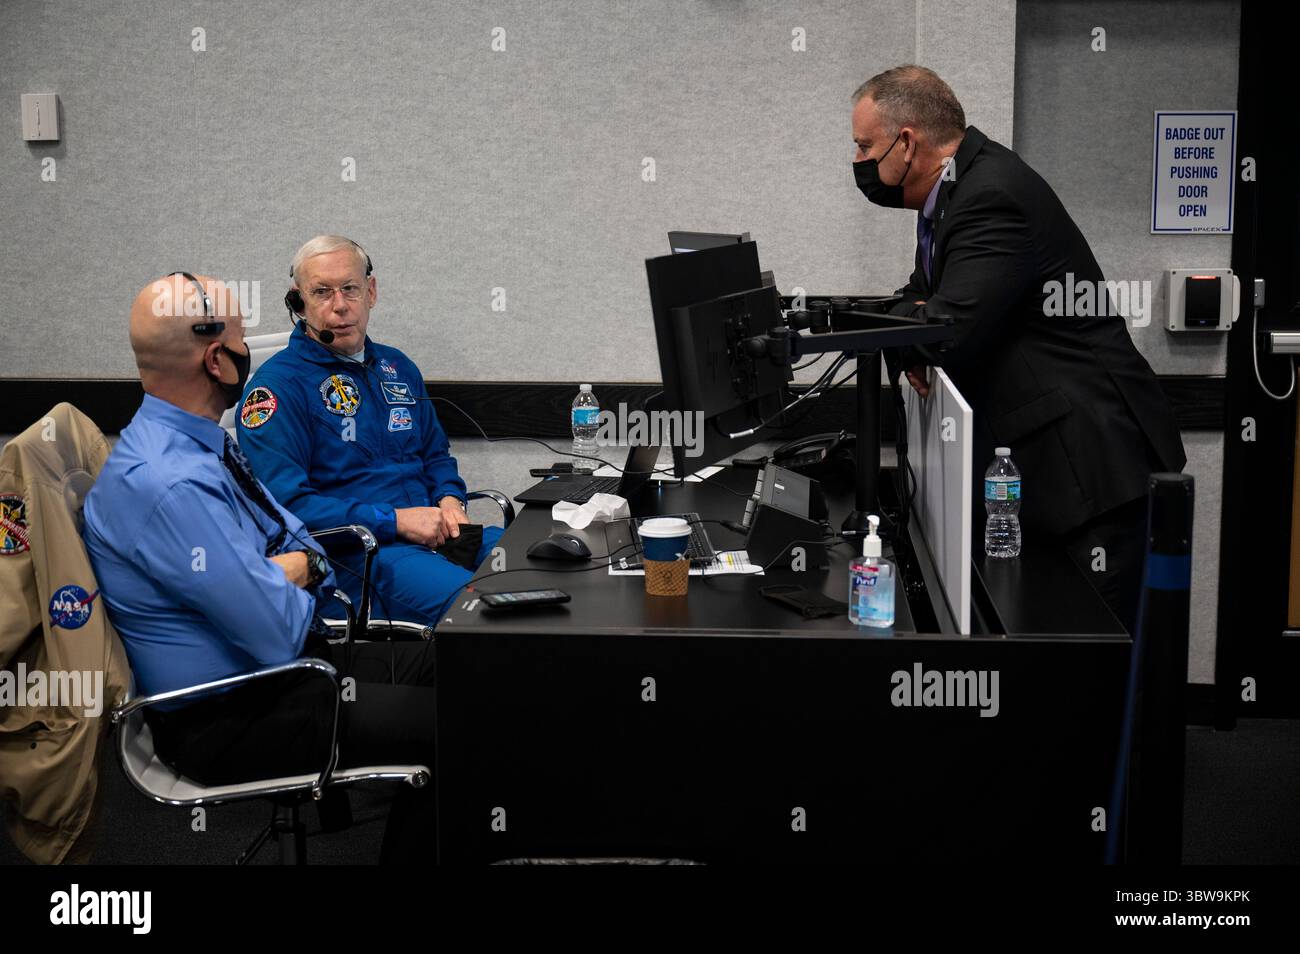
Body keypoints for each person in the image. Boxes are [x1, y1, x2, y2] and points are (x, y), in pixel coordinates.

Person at [82, 273, 436, 862]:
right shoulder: (168, 483)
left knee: (468, 665)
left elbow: (295, 535)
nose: (252, 352)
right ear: (218, 360)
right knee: (465, 721)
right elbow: (274, 631)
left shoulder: (200, 442)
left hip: (285, 667)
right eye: (244, 339)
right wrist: (294, 570)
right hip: (232, 711)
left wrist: (287, 568)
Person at [850, 65, 1186, 634]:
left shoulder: (991, 195)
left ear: (907, 143)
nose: (859, 161)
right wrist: (910, 336)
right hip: (1052, 461)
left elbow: (947, 329)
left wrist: (912, 339)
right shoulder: (952, 194)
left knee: (1091, 659)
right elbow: (921, 298)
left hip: (1090, 467)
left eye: (864, 145)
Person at [237, 235, 503, 626]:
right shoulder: (277, 388)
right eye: (322, 292)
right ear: (299, 302)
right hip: (360, 556)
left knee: (542, 570)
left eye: (350, 289)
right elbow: (285, 508)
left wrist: (449, 498)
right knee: (484, 613)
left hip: (439, 536)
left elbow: (436, 455)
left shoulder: (397, 367)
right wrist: (394, 520)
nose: (340, 306)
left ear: (371, 292)